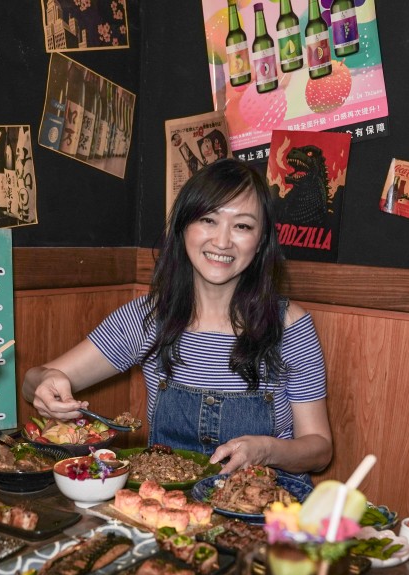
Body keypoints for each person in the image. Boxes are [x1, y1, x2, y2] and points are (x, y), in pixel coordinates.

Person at [23, 158, 332, 475]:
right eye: (208, 220)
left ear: (261, 240)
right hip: (169, 508)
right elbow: (36, 380)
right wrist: (45, 383)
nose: (222, 241)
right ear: (183, 227)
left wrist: (267, 450)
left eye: (242, 226)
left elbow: (319, 448)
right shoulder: (149, 316)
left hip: (266, 510)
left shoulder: (288, 325)